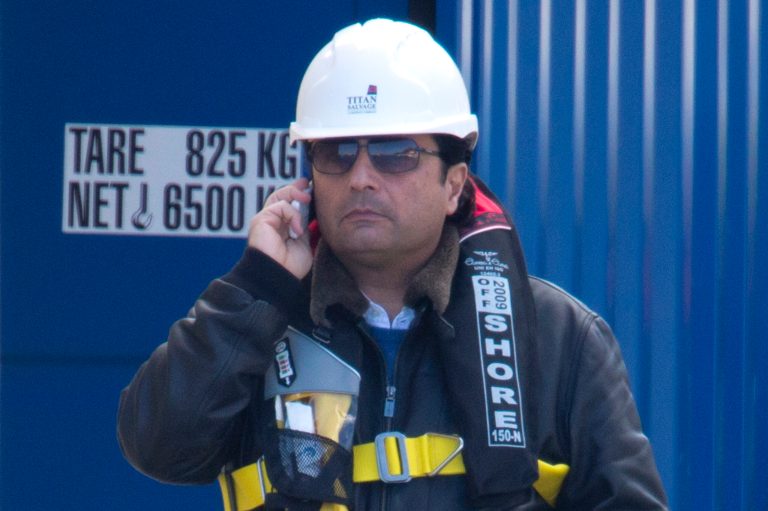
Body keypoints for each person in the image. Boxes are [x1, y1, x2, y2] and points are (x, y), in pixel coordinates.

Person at [118, 18, 668, 510]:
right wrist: (257, 287)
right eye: (337, 152)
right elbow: (157, 448)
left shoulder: (559, 336)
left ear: (454, 185)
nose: (361, 177)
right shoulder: (259, 317)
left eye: (394, 153)